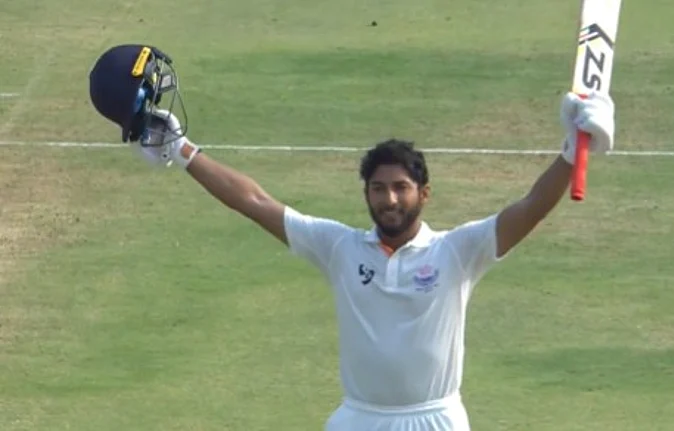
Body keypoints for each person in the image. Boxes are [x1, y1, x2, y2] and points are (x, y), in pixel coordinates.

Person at [89, 44, 615, 431]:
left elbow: (530, 209)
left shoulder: (457, 252)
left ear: (423, 194)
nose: (390, 199)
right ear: (367, 193)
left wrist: (571, 153)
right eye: (380, 189)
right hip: (359, 419)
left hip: (435, 419)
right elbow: (254, 202)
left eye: (401, 189)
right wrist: (183, 152)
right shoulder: (339, 248)